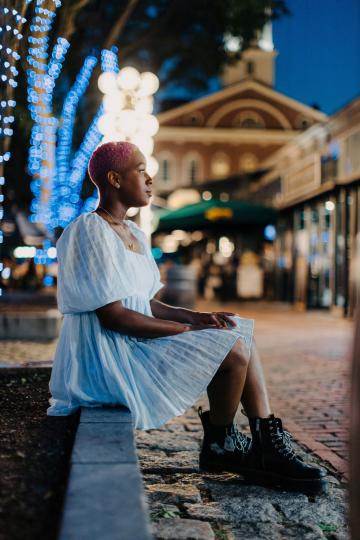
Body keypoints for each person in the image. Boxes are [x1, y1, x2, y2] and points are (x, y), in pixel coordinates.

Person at [47, 141, 328, 494]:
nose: (150, 179)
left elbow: (145, 303)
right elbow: (115, 317)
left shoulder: (133, 233)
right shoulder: (89, 230)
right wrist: (186, 331)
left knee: (235, 327)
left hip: (130, 339)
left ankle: (263, 440)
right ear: (115, 179)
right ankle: (222, 445)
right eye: (140, 170)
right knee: (230, 348)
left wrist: (200, 318)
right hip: (106, 353)